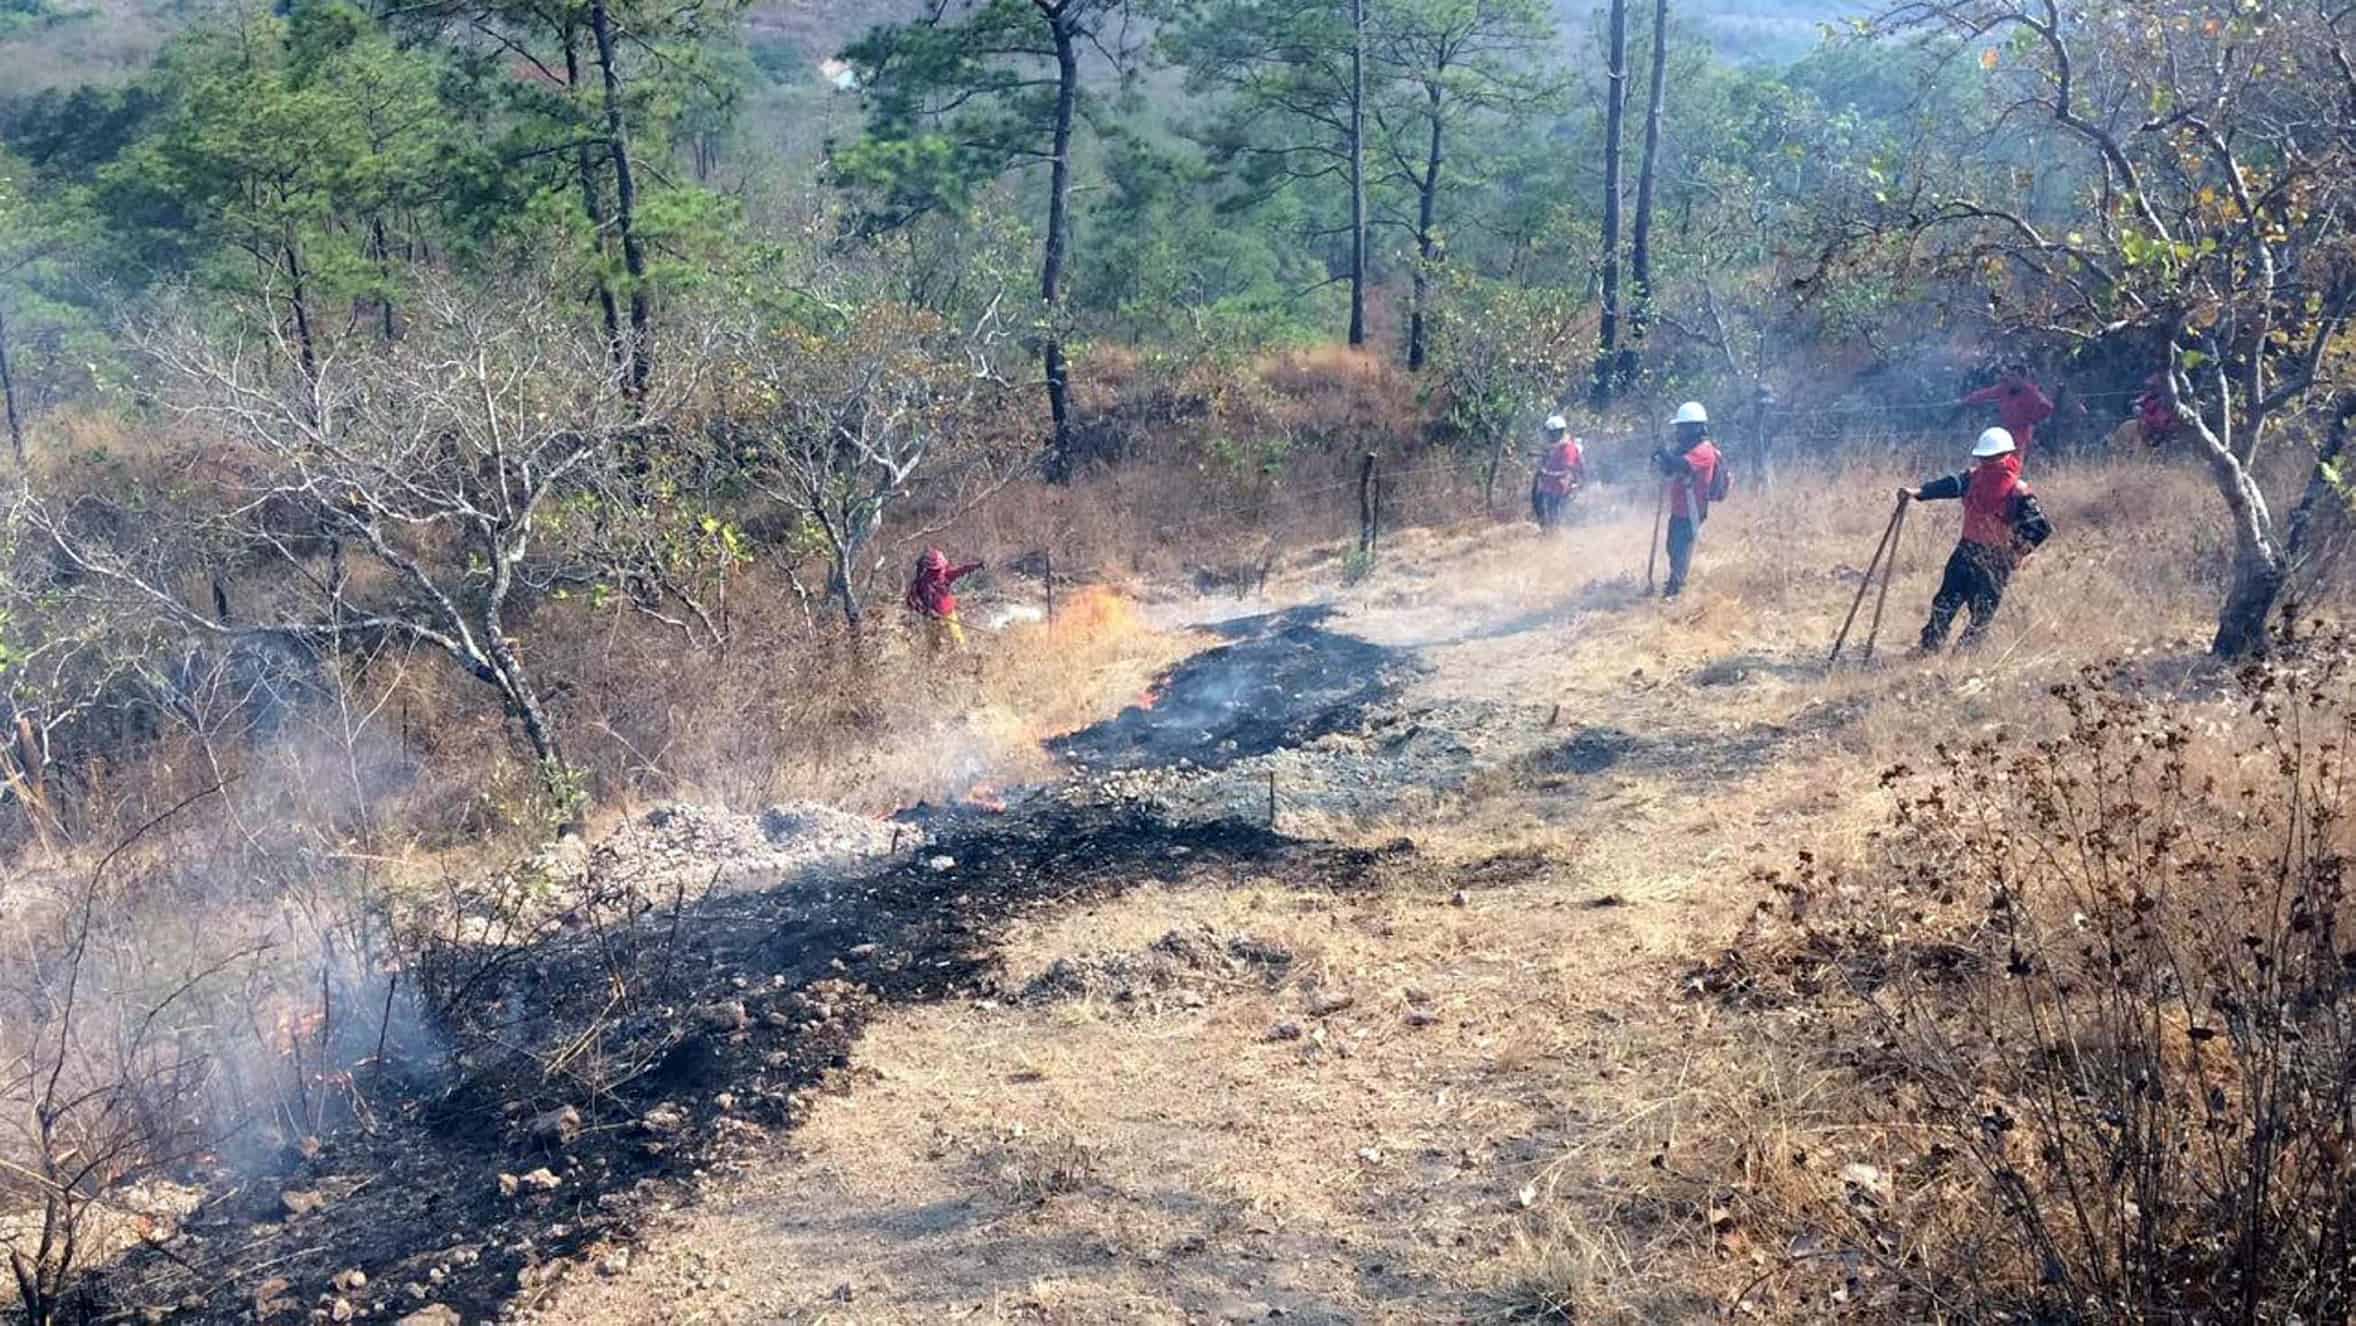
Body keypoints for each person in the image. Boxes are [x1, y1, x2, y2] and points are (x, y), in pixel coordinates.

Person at [1900, 427, 2052, 654]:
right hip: (1966, 550)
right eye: (1985, 458)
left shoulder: (2018, 491)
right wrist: (1919, 492)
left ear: (2006, 455)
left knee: (1982, 612)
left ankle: (1964, 657)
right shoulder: (1973, 479)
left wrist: (2016, 553)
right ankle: (1929, 647)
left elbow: (2040, 527)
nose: (1989, 462)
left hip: (1995, 558)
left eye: (1993, 458)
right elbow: (1949, 485)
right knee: (1945, 602)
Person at [1653, 401, 1725, 599]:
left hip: (1692, 512)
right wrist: (1660, 459)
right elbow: (1670, 468)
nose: (1679, 431)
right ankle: (1674, 583)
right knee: (1672, 547)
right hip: (1679, 509)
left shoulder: (1703, 451)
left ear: (1695, 428)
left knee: (1681, 550)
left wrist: (1664, 453)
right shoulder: (1686, 448)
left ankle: (1677, 590)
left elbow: (1681, 465)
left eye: (1683, 427)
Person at [1959, 362, 2055, 465]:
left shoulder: (2031, 392)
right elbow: (1985, 394)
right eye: (2009, 375)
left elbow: (2047, 407)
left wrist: (2031, 419)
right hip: (2006, 430)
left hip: (2021, 433)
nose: (2010, 378)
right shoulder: (2004, 388)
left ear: (2022, 378)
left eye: (2013, 376)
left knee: (2015, 462)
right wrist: (1966, 400)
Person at [905, 547, 983, 650]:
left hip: (947, 613)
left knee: (957, 639)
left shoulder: (944, 574)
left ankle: (961, 654)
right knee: (938, 642)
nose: (939, 569)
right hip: (934, 617)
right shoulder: (923, 581)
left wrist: (975, 566)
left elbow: (961, 570)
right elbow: (914, 600)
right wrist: (927, 611)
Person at [1530, 415, 1586, 530]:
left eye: (1551, 433)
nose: (1548, 436)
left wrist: (1545, 473)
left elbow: (1567, 473)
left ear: (1558, 433)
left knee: (1554, 516)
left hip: (1562, 490)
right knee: (1542, 507)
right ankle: (1548, 534)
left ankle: (1554, 538)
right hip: (1553, 488)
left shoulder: (1568, 449)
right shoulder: (1558, 447)